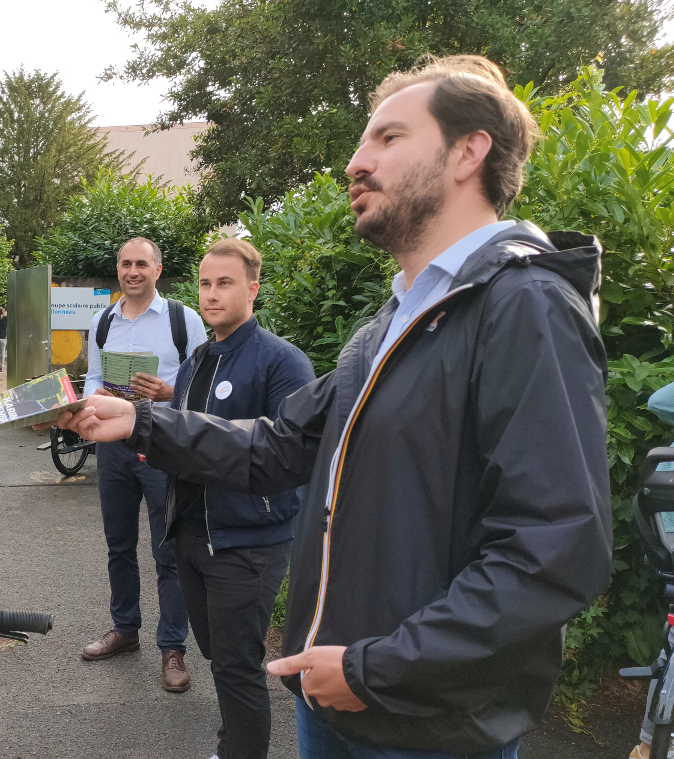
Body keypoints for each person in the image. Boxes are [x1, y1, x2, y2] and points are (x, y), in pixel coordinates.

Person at [50, 55, 612, 758]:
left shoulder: (525, 305)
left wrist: (375, 669)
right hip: (335, 700)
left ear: (470, 151)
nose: (355, 161)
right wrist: (140, 421)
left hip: (425, 727)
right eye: (362, 141)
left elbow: (555, 549)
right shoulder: (395, 320)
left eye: (387, 138)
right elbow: (280, 446)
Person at [173, 238, 315, 759]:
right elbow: (181, 441)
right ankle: (231, 745)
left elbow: (287, 458)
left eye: (225, 283)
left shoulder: (284, 362)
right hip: (191, 533)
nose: (211, 294)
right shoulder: (195, 361)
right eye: (206, 284)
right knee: (218, 656)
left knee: (236, 665)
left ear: (252, 289)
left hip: (248, 542)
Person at [81, 237, 208, 692]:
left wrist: (170, 393)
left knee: (168, 550)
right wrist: (96, 395)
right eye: (125, 264)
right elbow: (93, 375)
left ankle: (172, 648)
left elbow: (204, 380)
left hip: (162, 444)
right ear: (118, 270)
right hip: (114, 447)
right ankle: (125, 630)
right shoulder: (102, 321)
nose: (132, 271)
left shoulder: (183, 319)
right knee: (119, 545)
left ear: (157, 269)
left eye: (141, 264)